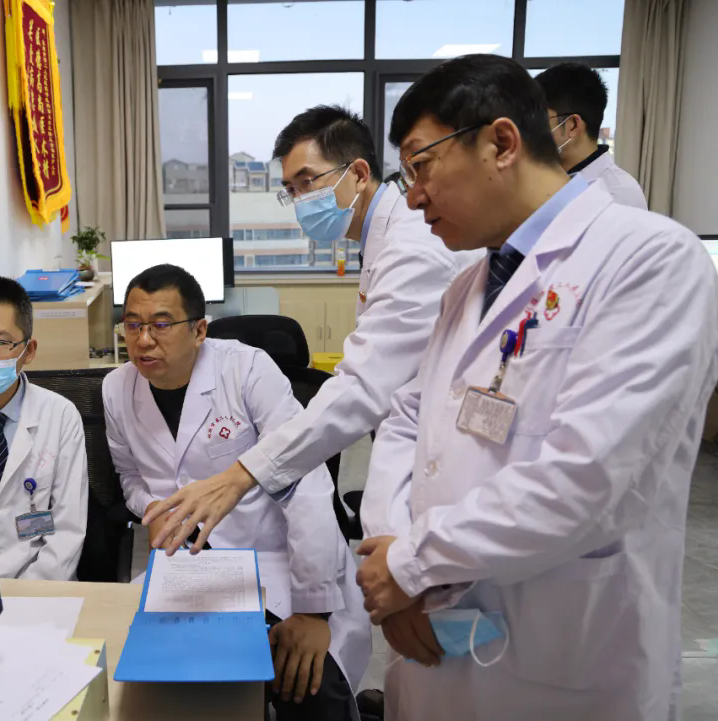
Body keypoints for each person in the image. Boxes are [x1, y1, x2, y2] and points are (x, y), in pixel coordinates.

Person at [355, 53, 718, 721]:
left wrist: (412, 565)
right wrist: (393, 552)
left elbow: (586, 476)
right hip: (434, 640)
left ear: (501, 142)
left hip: (564, 660)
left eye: (421, 165)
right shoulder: (470, 283)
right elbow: (407, 417)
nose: (411, 197)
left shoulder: (650, 259)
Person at [142, 105, 480, 554]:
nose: (300, 199)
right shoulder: (383, 241)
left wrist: (242, 474)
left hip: (448, 455)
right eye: (290, 189)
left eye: (307, 181)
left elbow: (362, 388)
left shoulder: (411, 249)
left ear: (358, 173)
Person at [102, 264, 370, 721]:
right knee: (145, 686)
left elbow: (305, 481)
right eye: (132, 325)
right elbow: (129, 476)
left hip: (274, 558)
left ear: (199, 330)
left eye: (161, 324)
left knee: (310, 686)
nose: (143, 340)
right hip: (187, 567)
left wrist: (313, 613)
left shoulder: (246, 369)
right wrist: (153, 507)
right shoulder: (116, 387)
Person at [0, 276, 88, 580]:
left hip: (44, 586)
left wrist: (27, 594)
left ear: (29, 351)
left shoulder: (60, 416)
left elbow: (67, 531)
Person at [535, 62, 647, 209]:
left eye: (539, 120)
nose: (530, 130)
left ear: (573, 125)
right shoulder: (547, 178)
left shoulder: (618, 195)